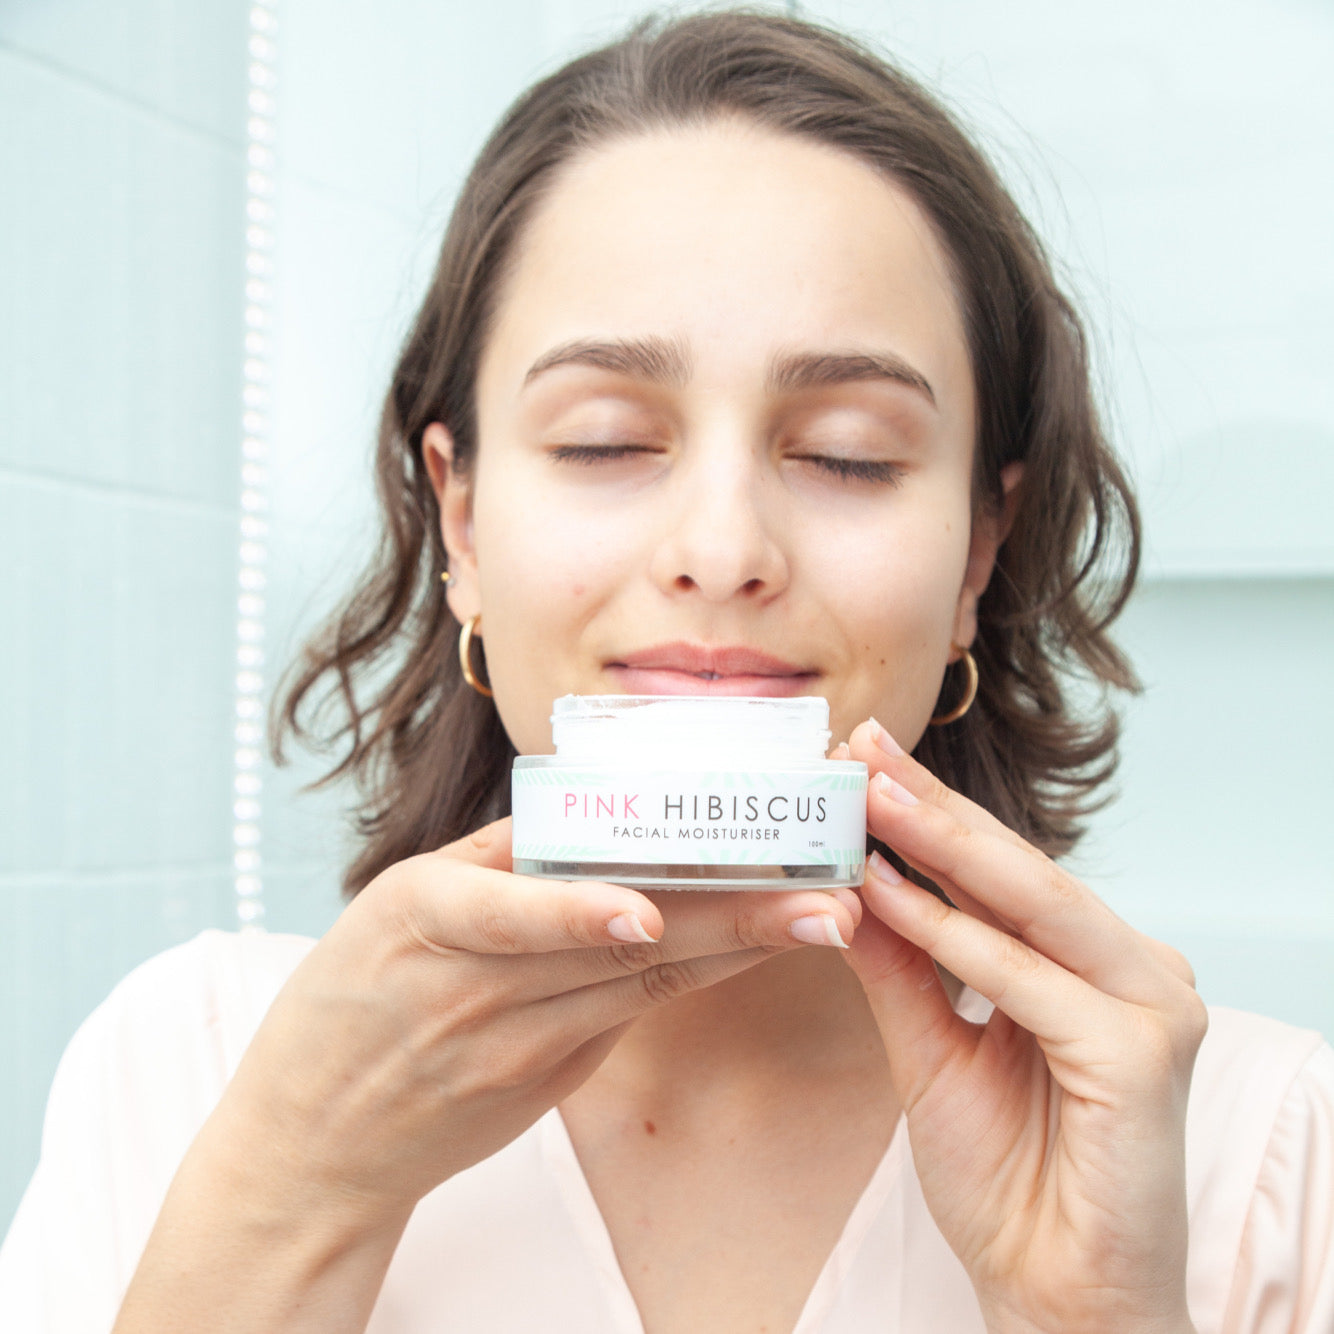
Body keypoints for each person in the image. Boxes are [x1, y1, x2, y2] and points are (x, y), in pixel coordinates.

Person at [2, 10, 1331, 1333]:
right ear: (460, 523)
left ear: (977, 551)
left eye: (850, 453)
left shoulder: (1254, 1154)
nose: (720, 549)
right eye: (601, 439)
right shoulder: (190, 1070)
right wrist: (288, 1201)